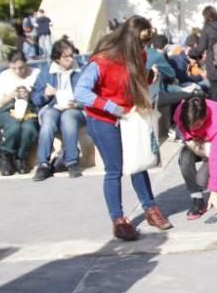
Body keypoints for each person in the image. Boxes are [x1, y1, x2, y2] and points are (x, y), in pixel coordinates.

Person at [74, 16, 173, 241]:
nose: (143, 48)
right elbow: (81, 92)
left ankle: (150, 208)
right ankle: (118, 220)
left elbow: (131, 80)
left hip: (129, 118)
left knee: (139, 163)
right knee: (114, 170)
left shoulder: (140, 54)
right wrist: (111, 107)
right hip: (103, 120)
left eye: (145, 44)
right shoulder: (102, 60)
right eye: (140, 43)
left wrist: (149, 76)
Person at [173, 95, 217, 220]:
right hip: (195, 143)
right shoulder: (180, 111)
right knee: (184, 159)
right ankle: (197, 199)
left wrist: (214, 191)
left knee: (202, 180)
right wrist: (190, 139)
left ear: (204, 117)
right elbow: (180, 127)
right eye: (189, 125)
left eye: (197, 124)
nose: (192, 128)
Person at [30, 38, 85, 181]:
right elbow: (35, 99)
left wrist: (78, 103)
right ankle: (43, 163)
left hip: (75, 108)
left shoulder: (81, 70)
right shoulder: (46, 73)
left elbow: (91, 93)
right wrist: (45, 94)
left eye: (72, 55)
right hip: (53, 106)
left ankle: (72, 161)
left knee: (68, 117)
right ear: (57, 58)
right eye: (65, 57)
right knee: (48, 119)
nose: (70, 59)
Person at [0, 50, 39, 176]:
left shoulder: (35, 73)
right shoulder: (4, 76)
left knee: (29, 128)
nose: (18, 71)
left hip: (29, 110)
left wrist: (30, 94)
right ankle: (7, 155)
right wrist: (11, 95)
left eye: (21, 68)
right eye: (14, 68)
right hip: (8, 110)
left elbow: (41, 96)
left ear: (26, 64)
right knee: (14, 127)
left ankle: (21, 157)